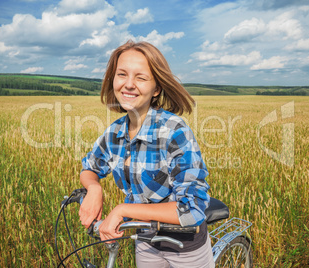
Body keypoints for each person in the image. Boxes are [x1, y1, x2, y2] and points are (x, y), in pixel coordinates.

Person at [79, 40, 214, 267]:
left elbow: (192, 209)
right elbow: (90, 168)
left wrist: (122, 210)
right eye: (122, 74)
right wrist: (94, 188)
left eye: (140, 78)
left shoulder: (174, 131)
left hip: (186, 247)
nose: (129, 84)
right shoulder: (114, 132)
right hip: (145, 242)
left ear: (157, 89)